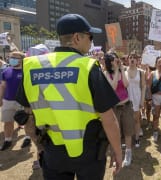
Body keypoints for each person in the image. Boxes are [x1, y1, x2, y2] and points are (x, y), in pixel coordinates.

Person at [15, 14, 122, 179]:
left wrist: (38, 144)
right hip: (89, 152)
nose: (91, 41)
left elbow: (27, 115)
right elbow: (109, 119)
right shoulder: (87, 66)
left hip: (51, 150)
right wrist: (117, 151)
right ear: (77, 38)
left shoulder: (32, 66)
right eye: (90, 36)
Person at [103, 52, 134, 167]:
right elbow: (113, 87)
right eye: (113, 59)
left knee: (128, 130)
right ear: (109, 61)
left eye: (116, 58)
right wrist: (116, 71)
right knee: (116, 132)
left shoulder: (123, 71)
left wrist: (121, 70)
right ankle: (116, 154)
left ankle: (128, 153)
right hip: (114, 107)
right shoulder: (106, 73)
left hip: (126, 105)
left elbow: (126, 85)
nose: (116, 60)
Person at [0, 51, 27, 151]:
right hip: (8, 101)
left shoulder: (26, 71)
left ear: (22, 59)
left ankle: (27, 138)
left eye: (15, 57)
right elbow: (3, 86)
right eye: (11, 57)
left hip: (23, 102)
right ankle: (8, 140)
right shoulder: (5, 71)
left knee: (27, 121)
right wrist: (0, 98)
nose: (13, 59)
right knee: (8, 121)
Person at [125, 51, 146, 148]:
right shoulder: (124, 71)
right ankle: (128, 138)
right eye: (130, 57)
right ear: (128, 60)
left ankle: (137, 138)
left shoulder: (141, 72)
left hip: (137, 98)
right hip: (126, 99)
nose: (132, 59)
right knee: (127, 120)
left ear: (137, 60)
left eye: (134, 58)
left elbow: (143, 87)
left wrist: (142, 100)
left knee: (137, 119)